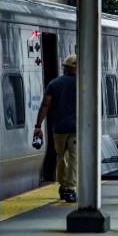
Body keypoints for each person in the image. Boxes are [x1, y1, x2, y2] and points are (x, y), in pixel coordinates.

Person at [34, 54, 78, 202]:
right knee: (74, 158)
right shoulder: (84, 83)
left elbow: (45, 105)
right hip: (77, 128)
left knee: (61, 157)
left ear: (66, 67)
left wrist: (38, 126)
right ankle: (71, 188)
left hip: (59, 129)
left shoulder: (54, 84)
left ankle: (63, 185)